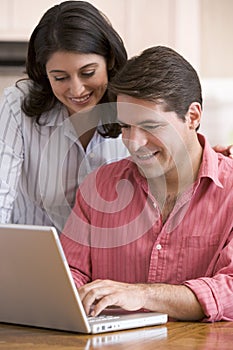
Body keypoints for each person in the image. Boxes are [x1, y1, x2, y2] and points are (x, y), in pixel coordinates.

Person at [60, 45, 233, 322]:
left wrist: (141, 295)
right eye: (126, 127)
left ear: (193, 117)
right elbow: (70, 271)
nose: (134, 143)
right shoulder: (101, 186)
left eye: (150, 126)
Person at [0, 1, 129, 232]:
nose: (77, 90)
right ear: (44, 73)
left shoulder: (130, 106)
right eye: (60, 78)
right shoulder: (16, 106)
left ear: (109, 59)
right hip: (33, 257)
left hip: (105, 261)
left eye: (88, 73)